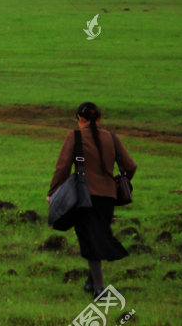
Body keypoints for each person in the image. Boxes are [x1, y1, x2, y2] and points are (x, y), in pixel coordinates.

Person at [48, 102, 137, 298]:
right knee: (95, 236)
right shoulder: (112, 138)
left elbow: (62, 167)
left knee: (90, 239)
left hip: (83, 197)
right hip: (108, 198)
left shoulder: (74, 136)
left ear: (80, 119)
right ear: (100, 119)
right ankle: (90, 283)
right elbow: (130, 166)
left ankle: (99, 289)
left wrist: (53, 191)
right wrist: (113, 183)